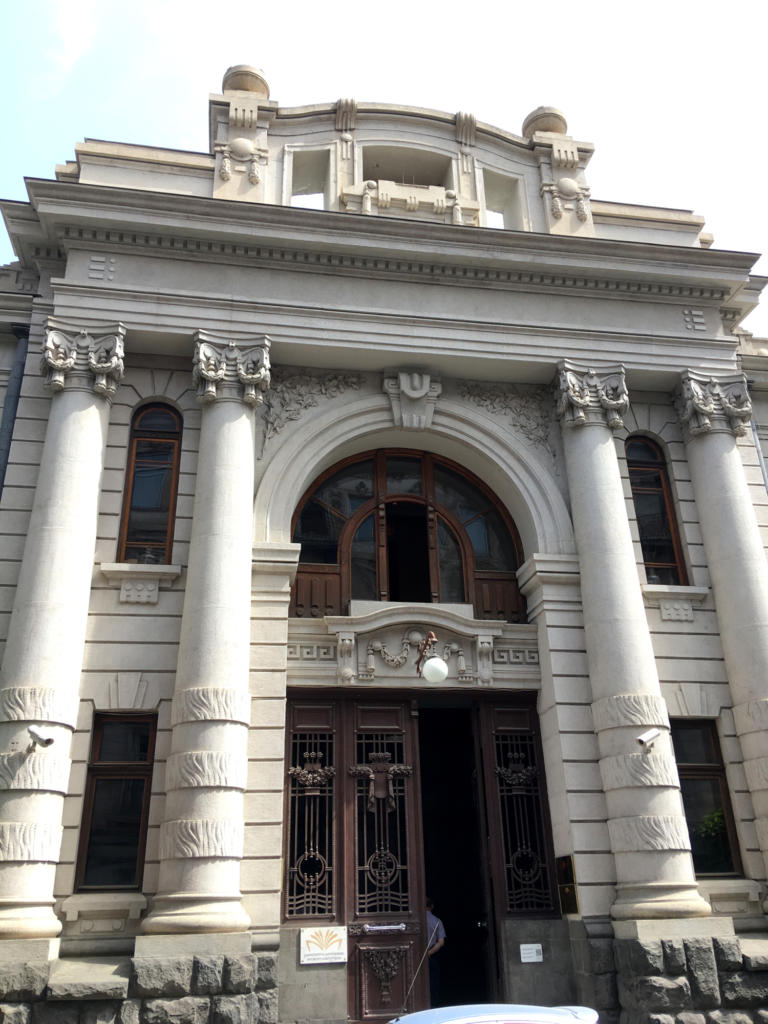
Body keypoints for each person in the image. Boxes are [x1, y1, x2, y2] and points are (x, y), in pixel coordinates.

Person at [425, 897, 446, 1007]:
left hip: (415, 956)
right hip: (431, 956)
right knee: (433, 984)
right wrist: (429, 953)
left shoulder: (417, 919)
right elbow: (441, 942)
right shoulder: (437, 921)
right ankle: (433, 1007)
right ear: (432, 906)